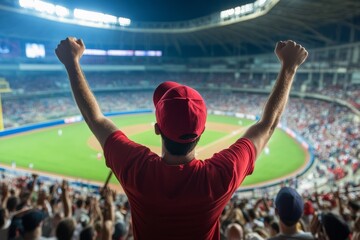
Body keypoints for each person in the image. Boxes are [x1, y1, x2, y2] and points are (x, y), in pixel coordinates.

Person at [55, 38, 308, 240]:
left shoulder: (137, 169)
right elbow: (267, 124)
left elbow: (96, 119)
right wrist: (289, 68)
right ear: (202, 132)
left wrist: (72, 63)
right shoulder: (219, 176)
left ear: (157, 129)